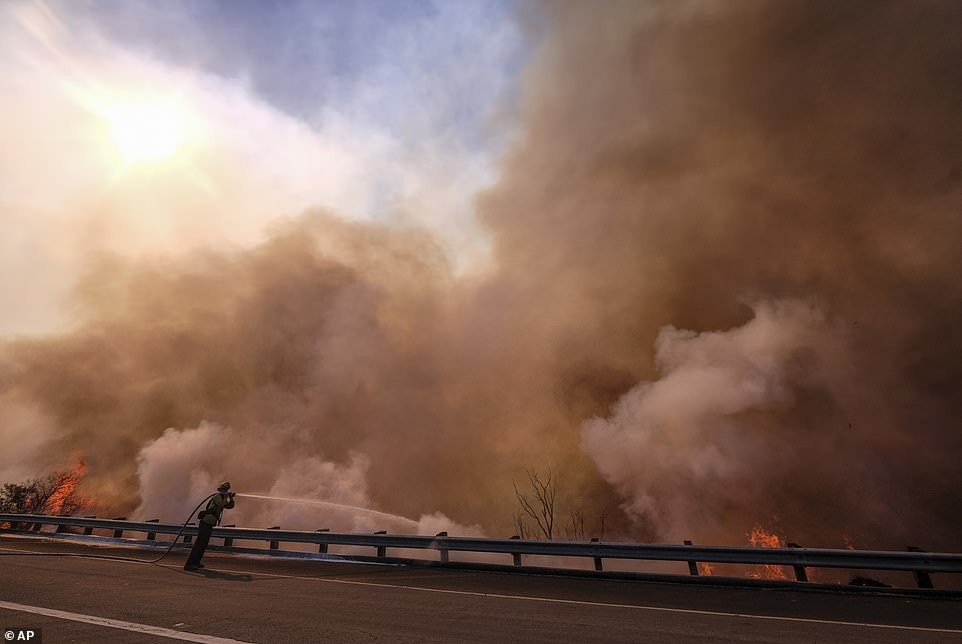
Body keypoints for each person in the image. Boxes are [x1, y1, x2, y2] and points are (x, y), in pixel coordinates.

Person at [184, 481, 235, 571]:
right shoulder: (217, 497)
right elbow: (221, 504)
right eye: (225, 489)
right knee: (199, 545)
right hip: (205, 524)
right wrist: (227, 496)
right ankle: (189, 564)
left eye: (227, 490)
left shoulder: (223, 498)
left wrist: (231, 498)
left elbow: (230, 506)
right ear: (221, 490)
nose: (226, 491)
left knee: (203, 545)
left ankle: (196, 562)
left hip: (209, 525)